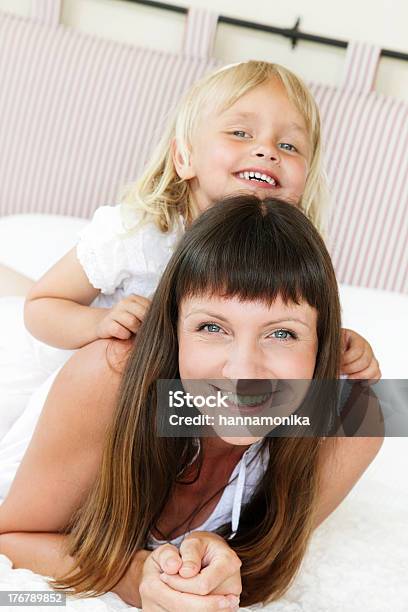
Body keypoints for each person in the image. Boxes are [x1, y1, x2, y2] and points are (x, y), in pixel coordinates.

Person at [0, 196, 383, 610]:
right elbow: (12, 539)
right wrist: (131, 575)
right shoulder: (108, 376)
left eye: (282, 334)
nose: (244, 370)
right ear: (174, 328)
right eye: (212, 326)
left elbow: (264, 561)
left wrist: (214, 554)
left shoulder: (357, 420)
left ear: (324, 341)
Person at [23, 60, 380, 380]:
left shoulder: (289, 263)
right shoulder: (136, 234)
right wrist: (99, 323)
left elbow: (293, 338)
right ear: (184, 156)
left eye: (289, 146)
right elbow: (42, 306)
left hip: (196, 410)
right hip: (101, 392)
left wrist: (341, 349)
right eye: (240, 133)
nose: (267, 150)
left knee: (372, 411)